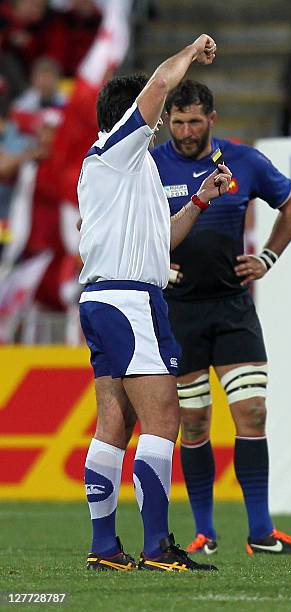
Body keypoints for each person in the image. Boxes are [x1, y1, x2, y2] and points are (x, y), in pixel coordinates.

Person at [78, 34, 233, 572]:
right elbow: (162, 82)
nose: (165, 120)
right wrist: (190, 50)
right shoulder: (117, 152)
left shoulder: (126, 169)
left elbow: (158, 242)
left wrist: (197, 201)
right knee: (164, 421)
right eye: (160, 112)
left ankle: (105, 549)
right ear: (132, 117)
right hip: (129, 299)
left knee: (113, 427)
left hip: (108, 298)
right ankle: (157, 547)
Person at [151, 79, 291, 556]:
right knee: (195, 423)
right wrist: (154, 264)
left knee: (252, 413)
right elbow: (125, 221)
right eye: (177, 122)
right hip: (178, 311)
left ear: (212, 119)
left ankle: (260, 530)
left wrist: (267, 258)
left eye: (194, 121)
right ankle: (205, 531)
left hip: (232, 307)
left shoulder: (243, 161)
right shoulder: (151, 165)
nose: (184, 131)